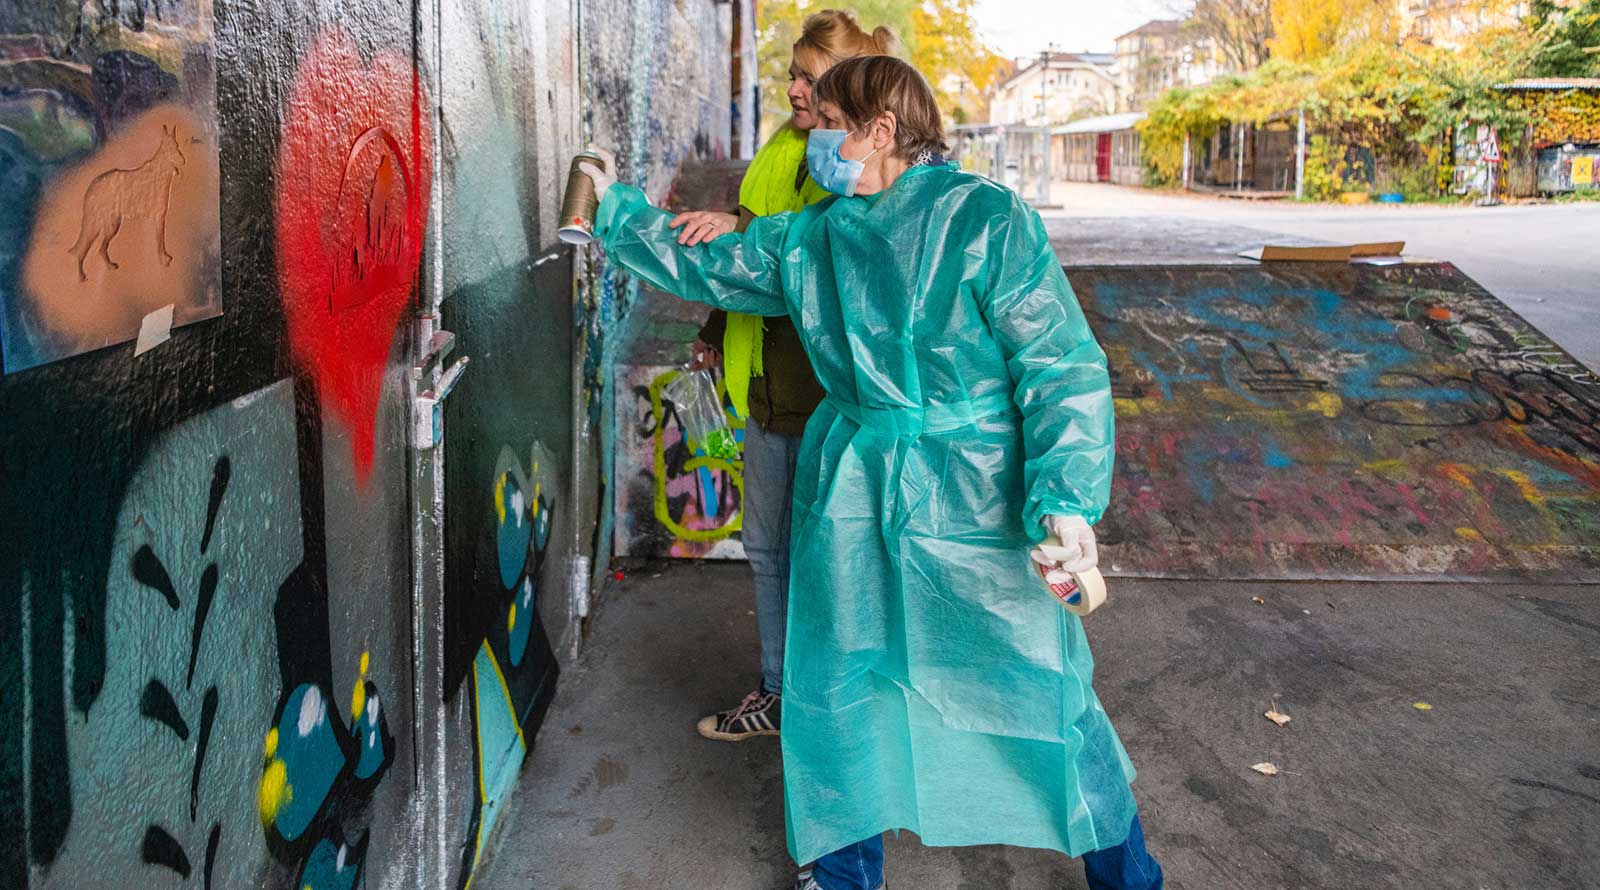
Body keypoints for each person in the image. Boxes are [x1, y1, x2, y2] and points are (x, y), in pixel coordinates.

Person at [578, 55, 1163, 890]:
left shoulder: (985, 218)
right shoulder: (819, 235)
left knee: (1031, 684)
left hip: (973, 499)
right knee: (840, 678)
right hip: (860, 487)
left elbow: (1059, 361)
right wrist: (616, 211)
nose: (810, 137)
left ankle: (1128, 874)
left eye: (823, 123)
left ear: (879, 130)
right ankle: (845, 872)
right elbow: (713, 265)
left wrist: (1066, 497)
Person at [669, 10, 894, 744]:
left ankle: (832, 706)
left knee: (829, 564)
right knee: (767, 552)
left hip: (823, 400)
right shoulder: (780, 147)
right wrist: (711, 330)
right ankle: (778, 690)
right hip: (764, 388)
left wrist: (740, 231)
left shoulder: (853, 171)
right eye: (793, 73)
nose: (793, 88)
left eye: (810, 77)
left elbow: (796, 259)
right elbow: (749, 249)